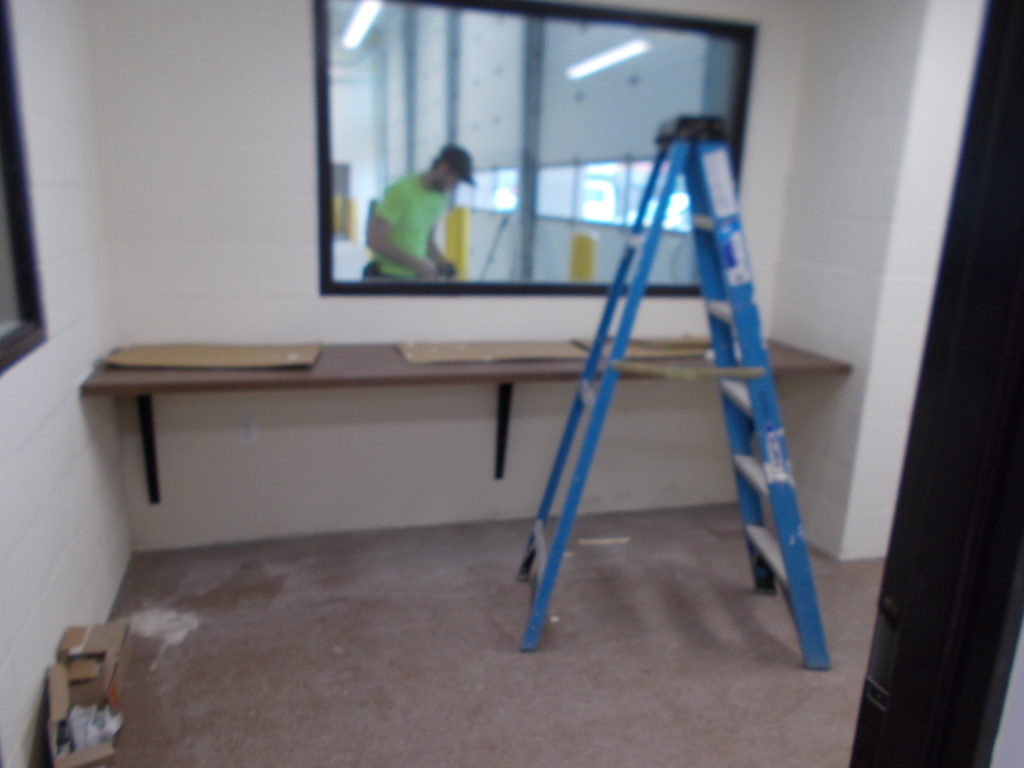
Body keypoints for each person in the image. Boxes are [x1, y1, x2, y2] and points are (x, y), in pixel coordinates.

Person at [365, 145, 474, 279]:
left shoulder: (439, 198)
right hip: (386, 277)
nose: (455, 186)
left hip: (415, 277)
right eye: (455, 179)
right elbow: (375, 239)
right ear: (442, 168)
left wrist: (443, 264)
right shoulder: (401, 190)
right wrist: (416, 264)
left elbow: (428, 242)